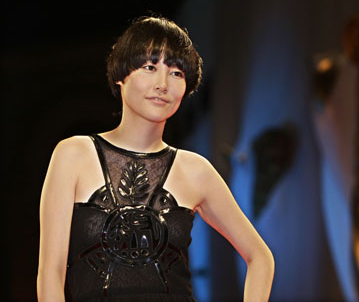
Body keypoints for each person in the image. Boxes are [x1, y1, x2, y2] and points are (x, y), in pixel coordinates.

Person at [37, 15, 274, 301]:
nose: (163, 84)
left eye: (176, 73)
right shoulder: (73, 155)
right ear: (119, 76)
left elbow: (260, 257)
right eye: (150, 67)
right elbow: (50, 273)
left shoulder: (196, 170)